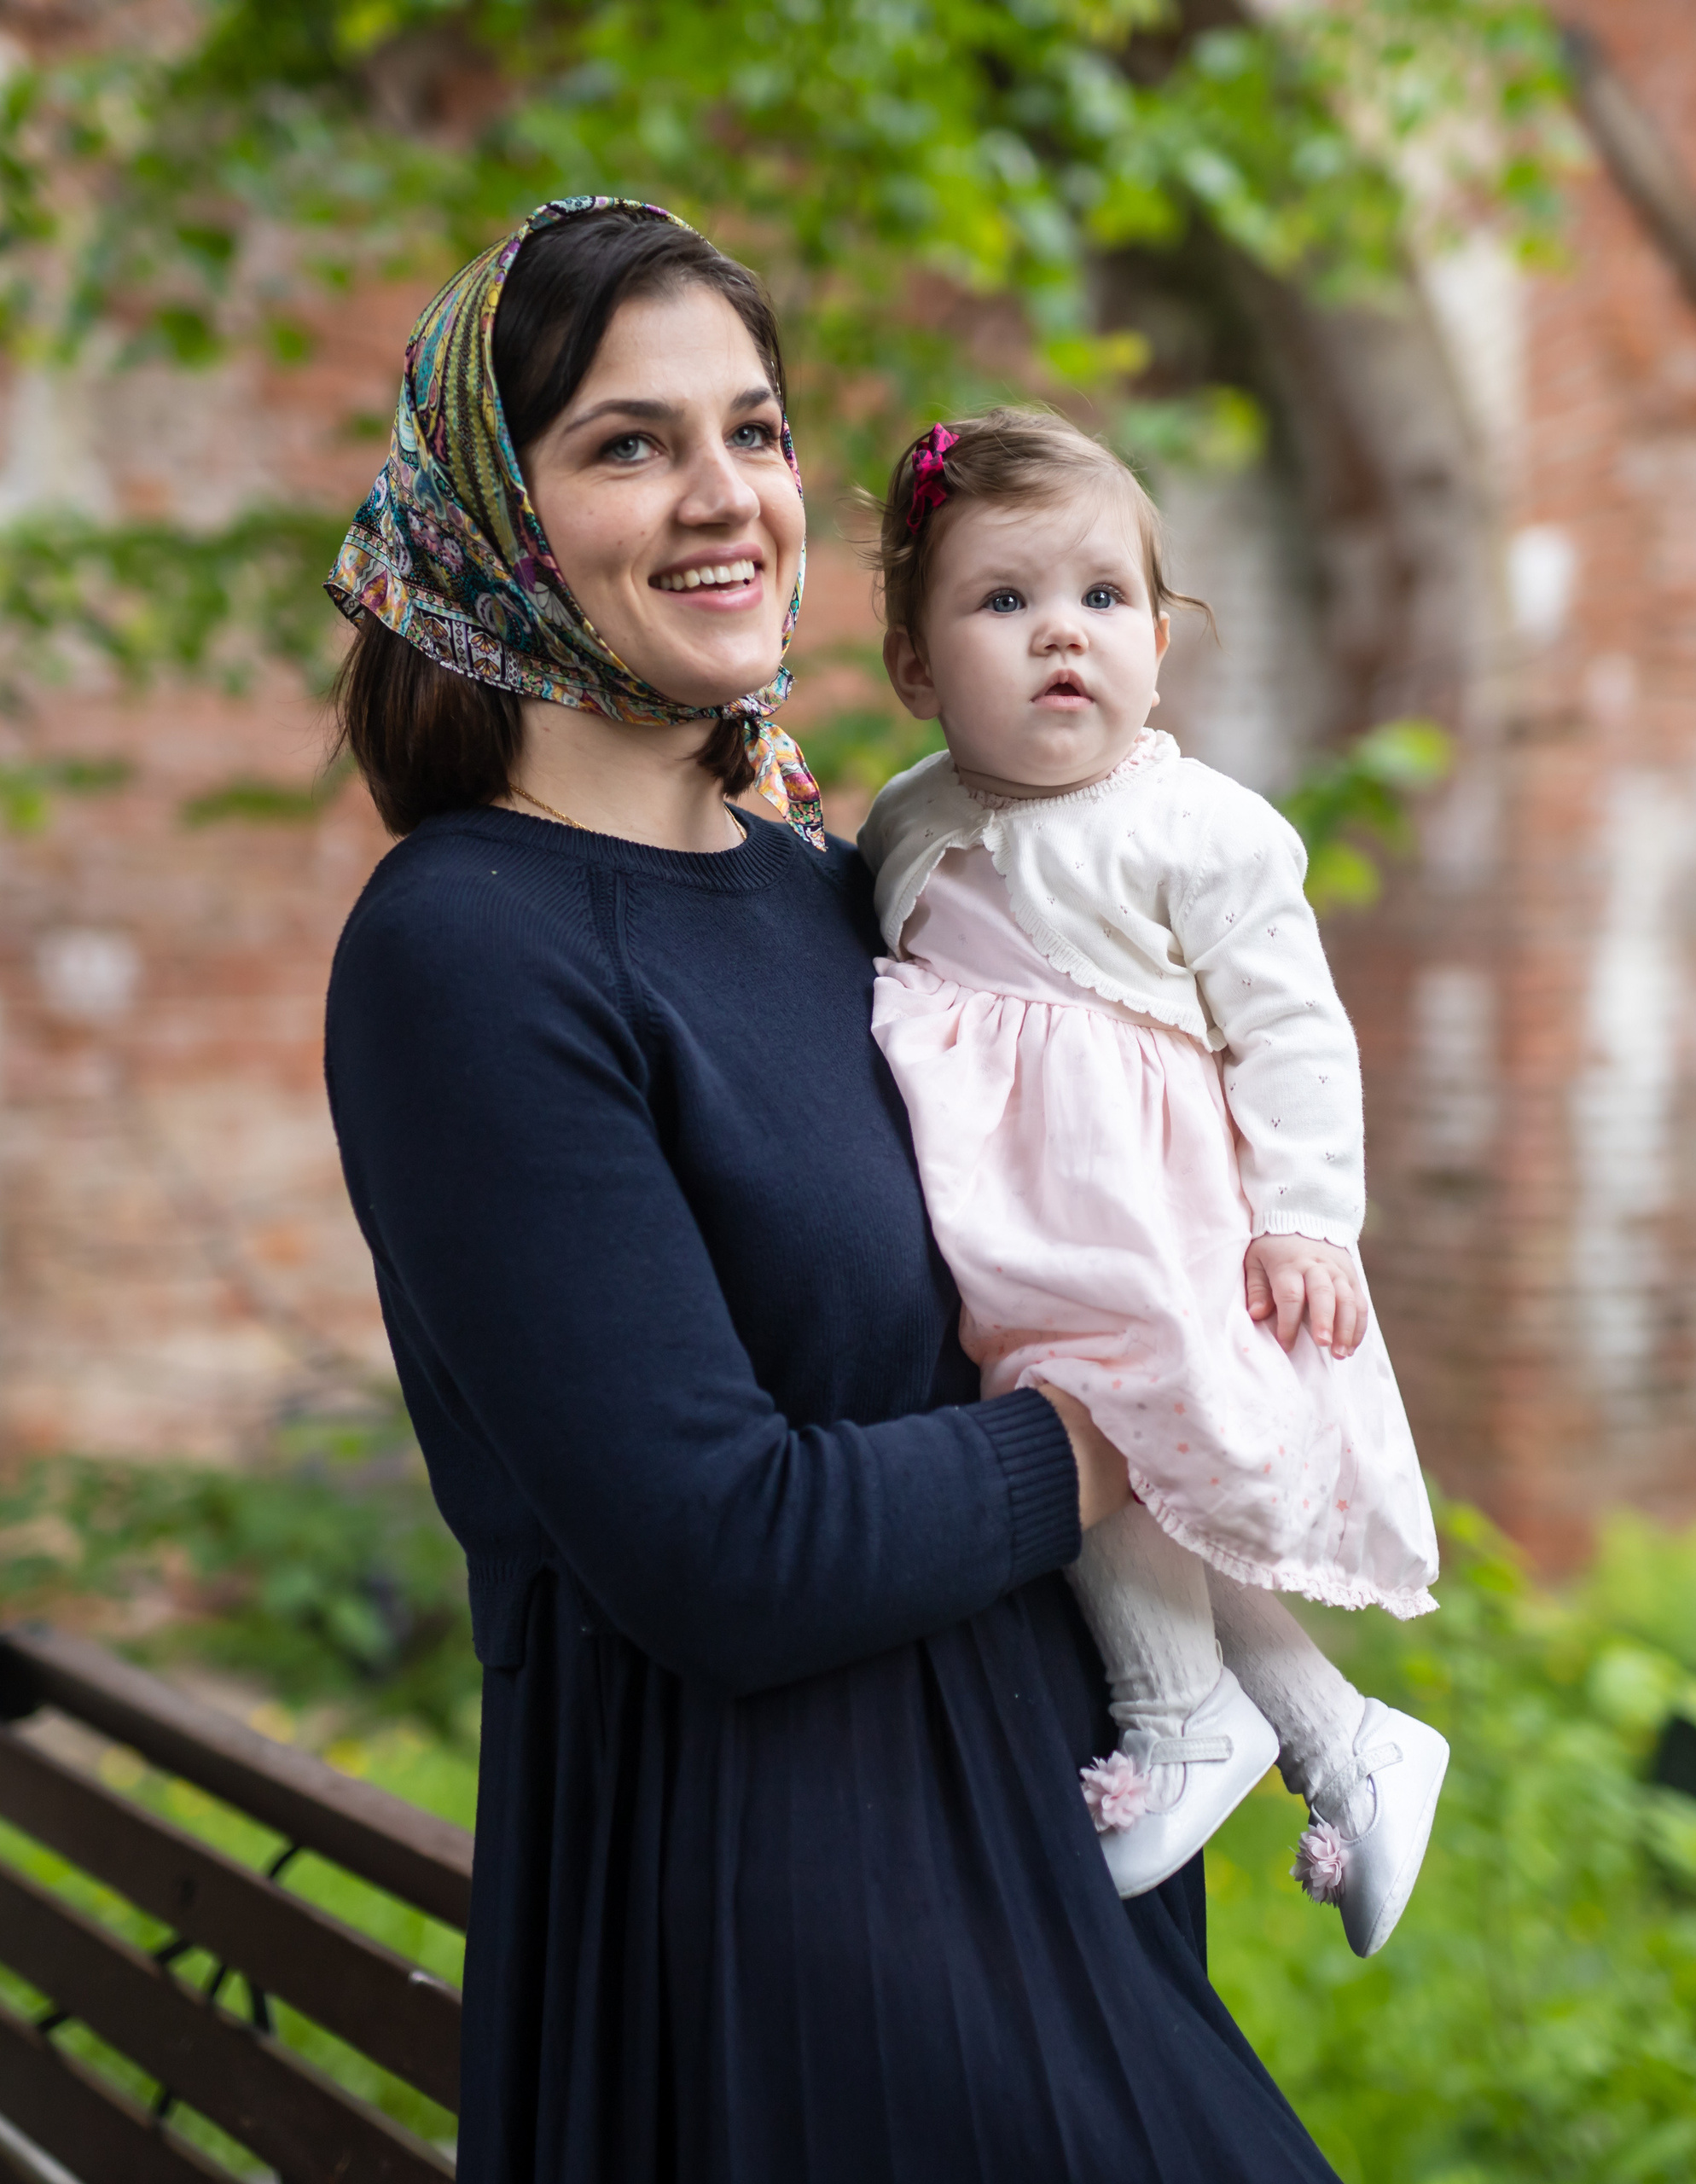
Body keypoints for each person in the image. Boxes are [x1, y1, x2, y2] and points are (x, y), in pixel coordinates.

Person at [322, 198, 1344, 2181]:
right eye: (629, 443)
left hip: (1045, 1840)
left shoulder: (839, 886)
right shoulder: (468, 945)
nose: (726, 500)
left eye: (758, 431)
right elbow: (725, 1542)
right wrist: (1141, 1407)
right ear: (487, 512)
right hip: (776, 1914)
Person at [858, 409, 1449, 1960]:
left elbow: (1294, 1032)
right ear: (917, 669)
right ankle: (1340, 1738)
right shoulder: (906, 825)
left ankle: (1180, 1707)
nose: (1063, 634)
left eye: (1104, 600)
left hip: (1146, 1211)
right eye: (1004, 603)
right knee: (1130, 1476)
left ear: (1163, 644)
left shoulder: (1197, 828)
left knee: (1098, 1431)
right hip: (1012, 1218)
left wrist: (1311, 1215)